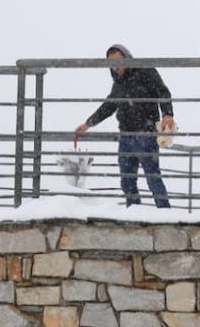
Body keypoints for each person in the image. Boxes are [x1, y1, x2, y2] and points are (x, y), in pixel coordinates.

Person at [75, 45, 176, 208]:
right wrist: (88, 124)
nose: (116, 65)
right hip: (126, 137)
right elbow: (108, 106)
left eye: (118, 60)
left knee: (153, 179)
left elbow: (162, 92)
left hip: (146, 135)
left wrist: (168, 114)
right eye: (111, 63)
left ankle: (165, 213)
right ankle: (133, 212)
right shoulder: (118, 84)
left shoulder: (146, 71)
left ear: (127, 57)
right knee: (127, 181)